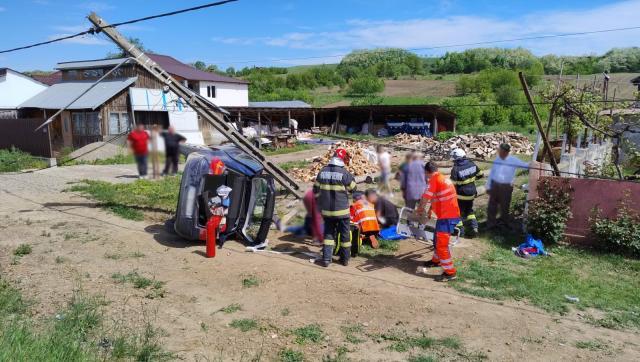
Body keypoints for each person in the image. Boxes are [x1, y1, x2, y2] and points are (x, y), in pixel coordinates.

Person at [416, 161, 461, 282]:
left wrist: (419, 210)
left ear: (426, 172)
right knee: (437, 239)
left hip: (447, 217)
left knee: (441, 245)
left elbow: (425, 198)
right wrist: (431, 209)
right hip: (448, 215)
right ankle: (435, 261)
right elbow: (438, 197)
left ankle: (450, 273)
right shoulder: (442, 178)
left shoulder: (433, 180)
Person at [313, 148, 357, 267]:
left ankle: (326, 259)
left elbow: (315, 190)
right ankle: (345, 259)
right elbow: (353, 188)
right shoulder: (344, 173)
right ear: (342, 160)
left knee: (328, 235)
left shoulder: (322, 172)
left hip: (327, 211)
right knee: (345, 236)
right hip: (342, 211)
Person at [485, 143, 530, 230]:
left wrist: (532, 164)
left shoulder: (513, 160)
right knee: (492, 206)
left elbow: (525, 166)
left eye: (501, 151)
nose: (500, 153)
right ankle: (491, 225)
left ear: (506, 152)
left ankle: (504, 224)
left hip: (506, 187)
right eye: (499, 151)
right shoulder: (497, 159)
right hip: (495, 185)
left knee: (505, 206)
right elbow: (492, 173)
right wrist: (488, 186)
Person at [450, 148, 482, 237]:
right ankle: (474, 227)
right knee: (469, 211)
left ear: (457, 158)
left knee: (458, 213)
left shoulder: (455, 169)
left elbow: (452, 184)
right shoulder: (472, 164)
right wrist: (470, 180)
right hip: (472, 193)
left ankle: (460, 232)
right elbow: (480, 175)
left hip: (461, 195)